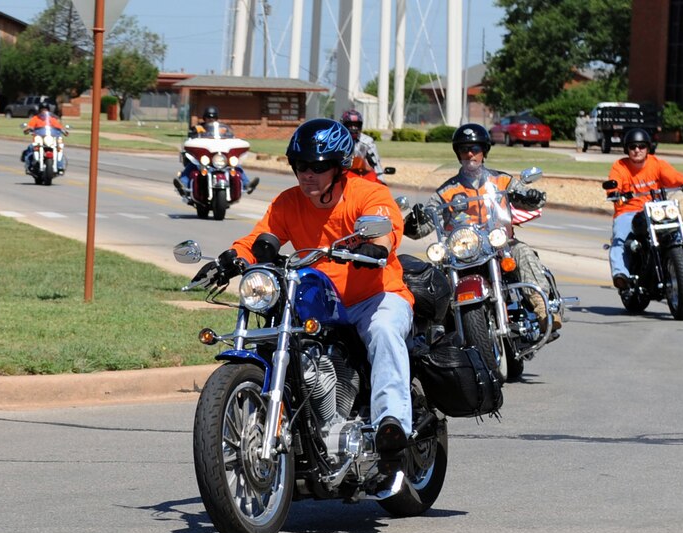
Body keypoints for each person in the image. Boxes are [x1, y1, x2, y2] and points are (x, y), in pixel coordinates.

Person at [194, 118, 414, 464]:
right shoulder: (288, 202)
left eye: (317, 166)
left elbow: (386, 225)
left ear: (339, 168)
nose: (307, 174)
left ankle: (392, 425)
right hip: (316, 298)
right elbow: (259, 238)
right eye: (299, 165)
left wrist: (377, 247)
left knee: (384, 331)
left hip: (375, 295)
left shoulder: (368, 194)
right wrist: (232, 258)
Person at [403, 123, 561, 332]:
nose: (470, 154)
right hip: (462, 251)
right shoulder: (446, 192)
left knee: (522, 251)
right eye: (464, 149)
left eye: (475, 149)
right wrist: (414, 222)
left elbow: (530, 200)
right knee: (437, 273)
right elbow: (423, 227)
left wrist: (532, 196)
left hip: (499, 244)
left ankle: (542, 309)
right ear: (458, 153)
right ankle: (439, 328)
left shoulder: (502, 181)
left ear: (484, 151)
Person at [606, 127, 683, 290]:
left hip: (656, 210)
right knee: (620, 239)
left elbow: (674, 177)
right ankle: (620, 274)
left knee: (681, 231)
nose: (637, 150)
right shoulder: (620, 166)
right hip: (628, 211)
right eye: (632, 146)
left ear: (647, 148)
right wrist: (615, 192)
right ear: (627, 149)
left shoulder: (656, 164)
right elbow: (613, 183)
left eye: (641, 146)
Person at [173, 105, 259, 196]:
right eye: (208, 117)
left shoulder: (222, 129)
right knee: (192, 166)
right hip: (204, 157)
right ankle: (183, 185)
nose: (211, 119)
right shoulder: (198, 128)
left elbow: (231, 137)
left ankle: (246, 185)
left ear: (216, 118)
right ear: (204, 118)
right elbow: (190, 139)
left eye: (213, 117)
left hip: (219, 157)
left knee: (236, 166)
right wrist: (193, 134)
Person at [340, 109, 386, 183]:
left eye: (356, 125)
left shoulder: (367, 141)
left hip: (360, 176)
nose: (353, 128)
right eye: (350, 125)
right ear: (344, 125)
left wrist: (381, 181)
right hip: (340, 176)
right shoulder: (337, 140)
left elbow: (376, 163)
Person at [21, 102, 68, 171]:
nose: (44, 111)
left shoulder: (52, 119)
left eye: (46, 109)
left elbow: (59, 127)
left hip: (50, 139)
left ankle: (60, 166)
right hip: (39, 139)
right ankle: (30, 164)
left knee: (59, 148)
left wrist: (64, 130)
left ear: (48, 111)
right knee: (31, 147)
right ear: (39, 110)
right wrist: (28, 129)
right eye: (42, 109)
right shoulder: (35, 118)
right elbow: (29, 126)